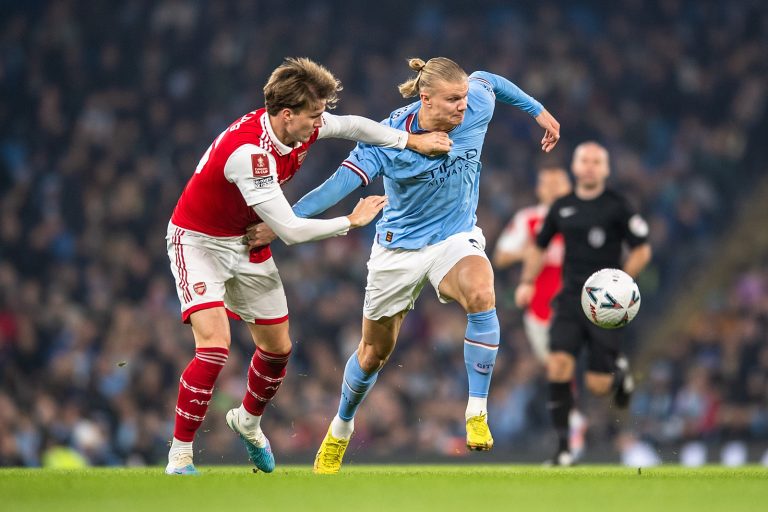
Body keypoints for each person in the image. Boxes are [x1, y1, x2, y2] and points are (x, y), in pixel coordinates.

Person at [248, 56, 560, 474]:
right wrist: (284, 220)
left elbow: (492, 81)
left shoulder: (476, 102)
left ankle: (476, 412)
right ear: (425, 98)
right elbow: (340, 184)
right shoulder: (388, 135)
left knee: (482, 293)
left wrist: (540, 113)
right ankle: (340, 429)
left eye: (464, 98)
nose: (462, 107)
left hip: (454, 237)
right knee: (374, 353)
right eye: (452, 100)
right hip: (398, 250)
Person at [164, 57, 451, 476]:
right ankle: (180, 456)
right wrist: (350, 222)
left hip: (245, 240)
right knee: (214, 347)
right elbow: (292, 231)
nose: (321, 122)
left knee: (278, 349)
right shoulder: (251, 154)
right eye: (314, 115)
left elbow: (354, 125)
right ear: (286, 115)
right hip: (199, 242)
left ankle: (247, 421)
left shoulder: (302, 125)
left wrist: (412, 142)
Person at [515, 141, 652, 466]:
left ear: (605, 169)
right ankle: (564, 448)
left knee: (597, 385)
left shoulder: (618, 206)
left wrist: (622, 281)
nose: (590, 166)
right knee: (558, 366)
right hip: (570, 300)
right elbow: (538, 246)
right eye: (584, 161)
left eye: (597, 161)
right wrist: (526, 281)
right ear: (575, 168)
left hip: (606, 308)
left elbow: (642, 248)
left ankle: (616, 372)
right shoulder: (561, 207)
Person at [493, 166, 571, 362]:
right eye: (547, 184)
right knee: (557, 367)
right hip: (540, 308)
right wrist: (526, 253)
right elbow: (500, 256)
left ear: (569, 187)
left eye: (558, 184)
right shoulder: (528, 219)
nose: (553, 189)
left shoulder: (584, 217)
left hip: (578, 303)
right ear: (539, 189)